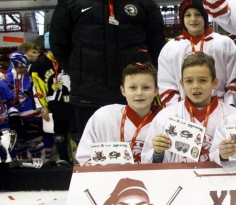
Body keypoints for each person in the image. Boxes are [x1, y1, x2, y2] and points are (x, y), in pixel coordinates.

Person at [50, 0, 165, 138]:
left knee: (138, 149)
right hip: (87, 97)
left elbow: (157, 47)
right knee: (91, 153)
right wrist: (78, 71)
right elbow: (59, 44)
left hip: (133, 96)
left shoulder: (142, 0)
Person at [142, 53, 236, 163]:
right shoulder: (165, 117)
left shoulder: (233, 117)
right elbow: (147, 164)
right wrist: (158, 153)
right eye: (189, 81)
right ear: (182, 84)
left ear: (214, 83)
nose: (195, 86)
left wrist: (225, 156)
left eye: (203, 80)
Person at [158, 0, 236, 108]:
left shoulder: (224, 43)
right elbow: (166, 83)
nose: (193, 19)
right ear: (182, 18)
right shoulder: (170, 48)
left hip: (221, 111)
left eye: (198, 14)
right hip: (184, 114)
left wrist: (228, 107)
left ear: (205, 16)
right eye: (188, 15)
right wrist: (180, 110)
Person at [75, 63, 161, 165]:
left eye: (146, 88)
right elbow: (85, 156)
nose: (139, 93)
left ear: (156, 90)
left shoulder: (165, 120)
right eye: (133, 87)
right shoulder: (104, 117)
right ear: (123, 90)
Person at [31, 34, 74, 165]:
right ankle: (64, 159)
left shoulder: (71, 59)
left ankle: (80, 160)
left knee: (76, 133)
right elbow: (38, 87)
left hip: (73, 103)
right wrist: (43, 106)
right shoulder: (39, 64)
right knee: (59, 135)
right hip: (55, 106)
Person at [5, 51, 49, 165]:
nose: (20, 70)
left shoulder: (33, 73)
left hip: (33, 115)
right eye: (17, 67)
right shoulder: (8, 75)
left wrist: (43, 106)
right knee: (19, 144)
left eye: (23, 67)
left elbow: (40, 90)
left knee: (34, 142)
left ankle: (41, 164)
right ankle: (22, 165)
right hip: (15, 116)